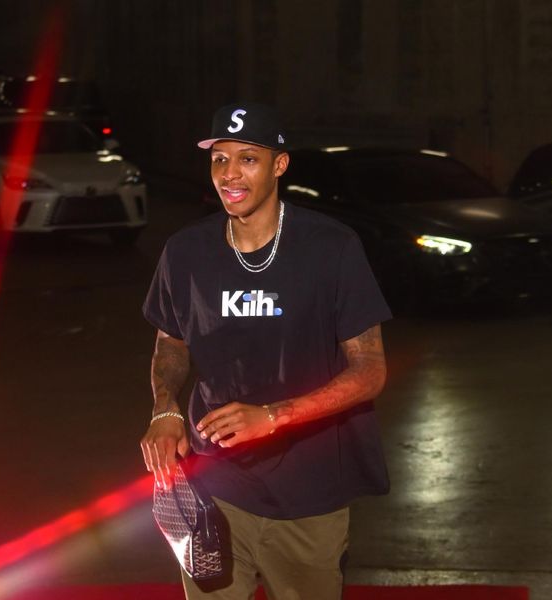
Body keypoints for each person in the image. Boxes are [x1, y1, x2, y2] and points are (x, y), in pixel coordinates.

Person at [141, 102, 392, 600]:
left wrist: (274, 417)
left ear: (280, 165)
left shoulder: (332, 248)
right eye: (219, 159)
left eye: (248, 159)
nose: (229, 174)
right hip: (215, 486)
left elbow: (370, 371)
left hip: (310, 493)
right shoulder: (185, 252)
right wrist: (165, 407)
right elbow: (171, 341)